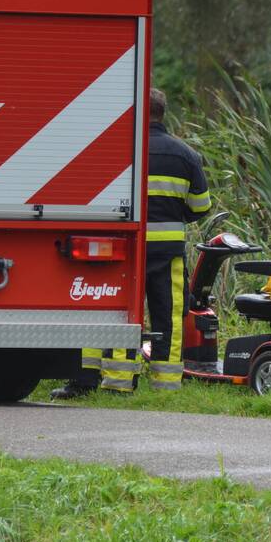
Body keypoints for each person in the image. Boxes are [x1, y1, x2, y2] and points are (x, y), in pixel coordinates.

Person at [51, 88, 212, 398]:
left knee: (115, 313)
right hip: (168, 253)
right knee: (169, 317)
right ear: (163, 114)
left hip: (121, 252)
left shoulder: (117, 150)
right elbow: (201, 207)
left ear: (136, 113)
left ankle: (115, 383)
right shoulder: (186, 155)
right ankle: (166, 387)